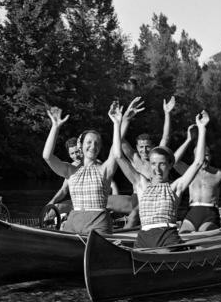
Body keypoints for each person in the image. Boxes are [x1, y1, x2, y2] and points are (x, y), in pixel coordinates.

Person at [113, 106, 210, 248]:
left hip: (168, 239)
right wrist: (117, 123)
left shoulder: (176, 187)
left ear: (170, 165)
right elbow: (118, 156)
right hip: (143, 240)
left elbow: (198, 162)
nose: (157, 169)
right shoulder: (141, 184)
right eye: (153, 164)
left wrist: (202, 129)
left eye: (162, 164)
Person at [41, 102, 122, 236]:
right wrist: (55, 127)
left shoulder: (105, 169)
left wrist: (117, 124)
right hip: (73, 223)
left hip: (98, 224)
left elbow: (117, 154)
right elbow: (47, 156)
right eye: (89, 142)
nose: (93, 146)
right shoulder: (70, 170)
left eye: (97, 143)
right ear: (81, 146)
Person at [119, 96, 175, 228]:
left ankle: (120, 239)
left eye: (147, 147)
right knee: (106, 202)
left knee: (134, 214)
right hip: (135, 196)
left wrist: (167, 114)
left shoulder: (156, 159)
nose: (144, 150)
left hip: (153, 197)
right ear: (137, 148)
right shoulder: (134, 158)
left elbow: (165, 138)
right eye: (141, 147)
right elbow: (119, 141)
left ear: (153, 147)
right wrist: (124, 119)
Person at [47, 137, 119, 217]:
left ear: (82, 149)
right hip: (78, 205)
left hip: (97, 205)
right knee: (55, 208)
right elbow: (64, 190)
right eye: (72, 153)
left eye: (77, 152)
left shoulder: (96, 163)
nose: (75, 156)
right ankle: (44, 226)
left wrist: (114, 206)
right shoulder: (72, 167)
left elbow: (113, 185)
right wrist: (51, 202)